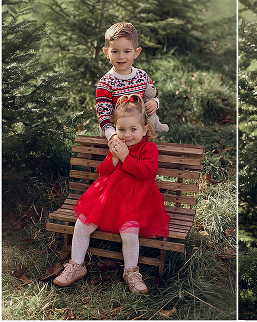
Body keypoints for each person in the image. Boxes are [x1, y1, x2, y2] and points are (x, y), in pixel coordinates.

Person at [54, 94, 170, 294]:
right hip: (108, 198)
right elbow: (103, 171)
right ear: (115, 129)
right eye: (121, 129)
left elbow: (146, 172)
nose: (127, 135)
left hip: (135, 202)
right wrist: (114, 159)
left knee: (129, 234)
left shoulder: (148, 148)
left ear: (144, 129)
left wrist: (125, 157)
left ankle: (131, 272)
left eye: (133, 129)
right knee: (82, 225)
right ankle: (76, 265)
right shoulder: (116, 147)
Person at [97, 22, 160, 142]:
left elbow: (152, 94)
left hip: (140, 137)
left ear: (136, 52)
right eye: (115, 51)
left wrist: (155, 102)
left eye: (127, 51)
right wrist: (112, 136)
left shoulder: (142, 76)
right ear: (106, 53)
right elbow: (103, 115)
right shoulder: (105, 84)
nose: (121, 56)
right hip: (116, 138)